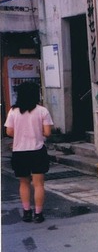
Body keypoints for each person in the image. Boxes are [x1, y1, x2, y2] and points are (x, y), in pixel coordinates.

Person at [4, 81, 54, 223]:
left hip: (20, 152)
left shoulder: (13, 111)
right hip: (37, 151)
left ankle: (26, 212)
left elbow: (9, 131)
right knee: (39, 184)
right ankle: (38, 214)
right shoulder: (42, 111)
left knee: (24, 183)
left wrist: (21, 134)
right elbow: (47, 132)